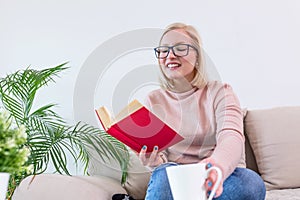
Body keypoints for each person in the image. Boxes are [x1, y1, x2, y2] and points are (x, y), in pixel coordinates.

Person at [137, 23, 266, 200]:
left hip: (219, 176)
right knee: (163, 175)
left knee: (251, 183)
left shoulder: (221, 92)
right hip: (177, 178)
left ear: (197, 56)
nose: (170, 56)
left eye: (180, 48)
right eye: (163, 50)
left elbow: (231, 136)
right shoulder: (153, 100)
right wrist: (153, 162)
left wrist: (216, 166)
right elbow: (161, 164)